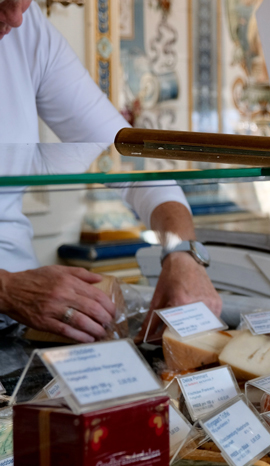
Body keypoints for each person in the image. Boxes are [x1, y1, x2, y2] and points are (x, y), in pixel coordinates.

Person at [0, 0, 221, 343]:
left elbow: (127, 157)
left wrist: (181, 251)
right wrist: (7, 288)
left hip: (21, 326)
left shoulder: (28, 30)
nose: (15, 18)